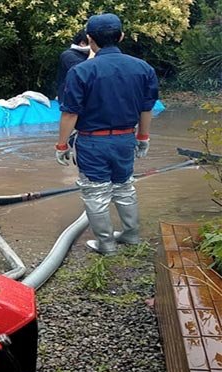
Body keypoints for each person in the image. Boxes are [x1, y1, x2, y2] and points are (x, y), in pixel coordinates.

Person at [55, 13, 158, 255]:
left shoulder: (81, 71)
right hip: (125, 138)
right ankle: (131, 235)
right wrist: (143, 137)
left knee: (95, 191)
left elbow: (70, 114)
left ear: (90, 39)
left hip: (93, 141)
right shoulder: (143, 68)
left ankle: (106, 244)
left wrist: (61, 145)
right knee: (124, 187)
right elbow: (146, 108)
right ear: (121, 36)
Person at [55, 29, 90, 102]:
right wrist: (93, 53)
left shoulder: (87, 55)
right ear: (82, 43)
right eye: (92, 42)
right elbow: (84, 72)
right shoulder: (68, 55)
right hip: (70, 99)